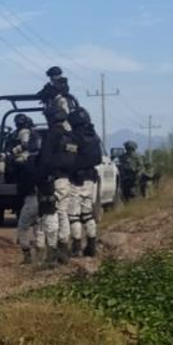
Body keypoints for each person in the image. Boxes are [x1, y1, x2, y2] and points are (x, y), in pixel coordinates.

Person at [36, 106, 78, 264]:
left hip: (52, 180)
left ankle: (52, 254)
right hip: (66, 180)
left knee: (50, 214)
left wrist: (39, 177)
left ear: (51, 118)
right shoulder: (70, 136)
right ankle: (63, 250)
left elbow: (45, 159)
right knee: (63, 214)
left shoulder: (52, 134)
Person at [8, 114, 44, 264]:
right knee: (39, 227)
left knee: (23, 228)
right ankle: (41, 257)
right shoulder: (43, 163)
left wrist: (11, 156)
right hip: (43, 198)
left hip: (31, 198)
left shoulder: (27, 165)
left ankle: (28, 257)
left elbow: (24, 186)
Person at [69, 108, 102, 257]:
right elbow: (99, 158)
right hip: (90, 179)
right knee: (88, 214)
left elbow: (69, 156)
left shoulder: (74, 137)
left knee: (74, 215)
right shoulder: (94, 136)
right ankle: (92, 245)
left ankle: (76, 247)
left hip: (76, 179)